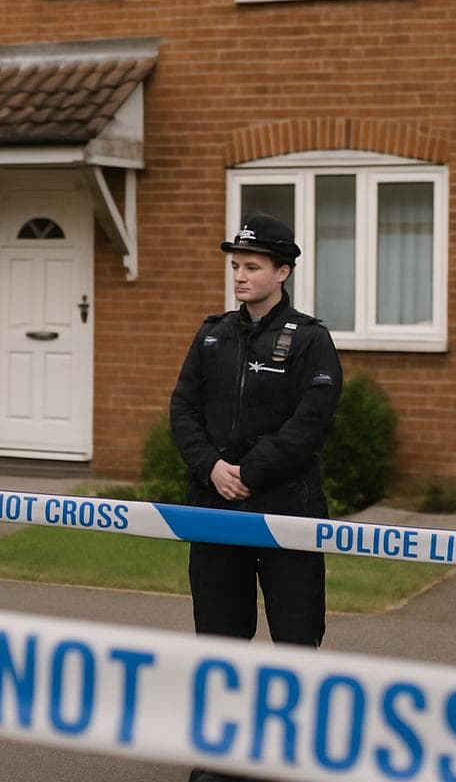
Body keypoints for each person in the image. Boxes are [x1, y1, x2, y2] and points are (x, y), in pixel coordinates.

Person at [170, 213, 343, 782]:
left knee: (295, 638)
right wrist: (212, 468)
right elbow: (184, 411)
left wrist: (248, 470)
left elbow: (311, 422)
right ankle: (221, 756)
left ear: (282, 271)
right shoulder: (213, 334)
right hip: (217, 511)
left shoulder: (312, 339)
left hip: (287, 511)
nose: (239, 276)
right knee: (220, 639)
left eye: (252, 267)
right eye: (235, 266)